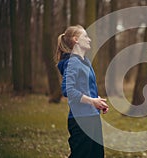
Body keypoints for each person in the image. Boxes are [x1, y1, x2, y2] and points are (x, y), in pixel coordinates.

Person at [55, 25, 108, 158]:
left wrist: (98, 102)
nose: (89, 39)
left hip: (92, 116)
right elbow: (68, 90)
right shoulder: (72, 62)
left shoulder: (85, 61)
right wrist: (92, 101)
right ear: (76, 39)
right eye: (85, 36)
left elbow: (85, 88)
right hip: (81, 119)